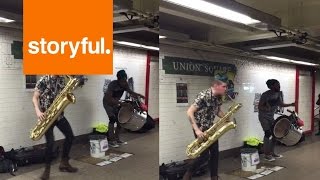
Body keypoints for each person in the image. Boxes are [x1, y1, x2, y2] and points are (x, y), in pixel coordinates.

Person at [33, 75, 78, 180]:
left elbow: (63, 95)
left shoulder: (62, 79)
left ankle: (64, 163)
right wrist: (38, 111)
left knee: (70, 137)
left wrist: (71, 88)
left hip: (59, 115)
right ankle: (47, 170)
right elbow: (35, 98)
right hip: (47, 117)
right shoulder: (43, 79)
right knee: (50, 143)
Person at [183, 80, 228, 180]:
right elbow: (190, 112)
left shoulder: (218, 97)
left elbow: (217, 111)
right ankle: (187, 175)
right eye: (224, 86)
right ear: (216, 86)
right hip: (201, 129)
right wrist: (196, 130)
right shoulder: (203, 95)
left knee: (215, 154)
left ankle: (214, 177)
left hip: (211, 129)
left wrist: (226, 117)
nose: (226, 89)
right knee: (204, 156)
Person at [103, 70, 145, 148]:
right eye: (122, 80)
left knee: (120, 120)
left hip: (117, 102)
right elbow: (109, 98)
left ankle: (117, 138)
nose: (124, 82)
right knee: (112, 119)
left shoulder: (125, 84)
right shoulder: (112, 85)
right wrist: (122, 104)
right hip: (108, 103)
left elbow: (130, 92)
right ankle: (111, 140)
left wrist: (138, 95)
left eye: (125, 80)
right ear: (118, 79)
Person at [258, 79, 295, 161]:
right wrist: (266, 108)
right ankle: (267, 154)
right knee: (268, 133)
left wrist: (291, 104)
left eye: (279, 85)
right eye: (277, 85)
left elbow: (281, 104)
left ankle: (272, 152)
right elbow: (259, 106)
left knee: (275, 134)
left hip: (271, 117)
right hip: (263, 116)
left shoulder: (279, 93)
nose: (279, 86)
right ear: (271, 86)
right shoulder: (265, 95)